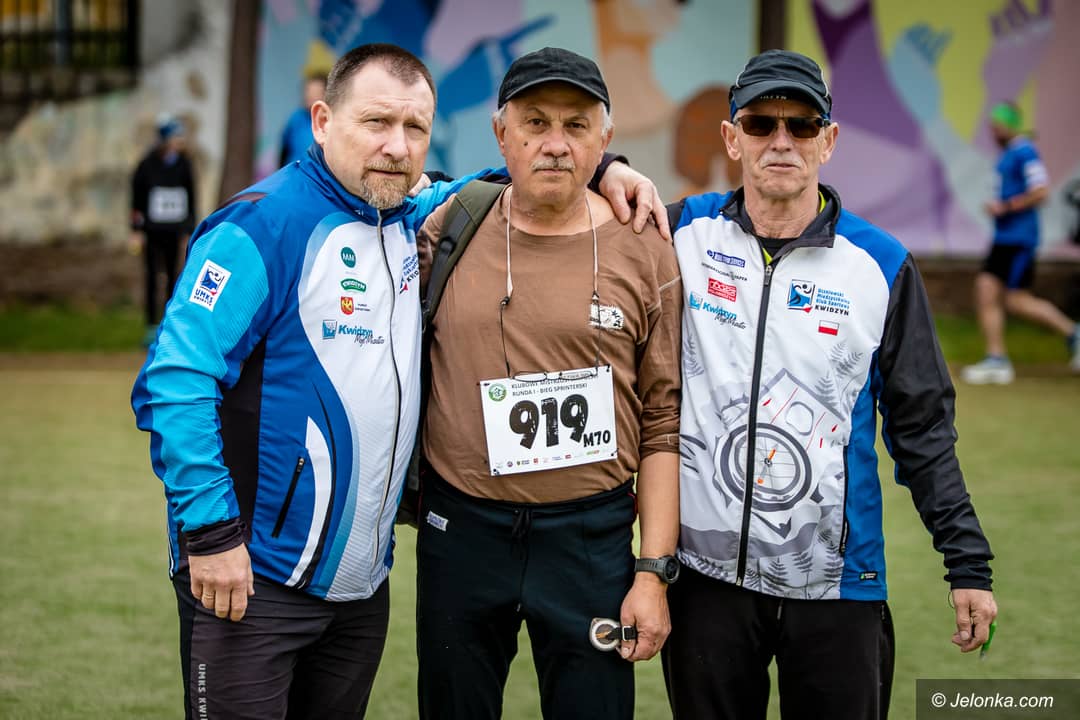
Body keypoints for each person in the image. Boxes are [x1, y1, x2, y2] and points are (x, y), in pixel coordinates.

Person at [130, 42, 669, 720]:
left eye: (415, 128)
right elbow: (176, 380)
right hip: (252, 575)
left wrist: (608, 167)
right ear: (323, 121)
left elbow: (518, 173)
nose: (397, 146)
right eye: (376, 122)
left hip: (359, 593)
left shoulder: (413, 215)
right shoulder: (264, 224)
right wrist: (210, 535)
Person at [662, 49, 997, 719]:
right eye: (761, 124)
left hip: (839, 585)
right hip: (705, 581)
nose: (781, 141)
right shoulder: (679, 233)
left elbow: (924, 429)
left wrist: (967, 562)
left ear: (829, 140)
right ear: (732, 137)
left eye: (802, 124)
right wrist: (612, 169)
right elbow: (560, 188)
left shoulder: (880, 265)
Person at [414, 47, 682, 720]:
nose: (555, 144)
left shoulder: (646, 245)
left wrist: (652, 572)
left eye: (576, 126)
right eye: (535, 123)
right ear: (501, 134)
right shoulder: (447, 229)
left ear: (605, 139)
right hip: (462, 532)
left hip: (590, 538)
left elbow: (663, 420)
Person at [960, 101, 1080, 384]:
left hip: (1018, 239)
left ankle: (1072, 334)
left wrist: (1006, 207)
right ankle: (997, 359)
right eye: (992, 127)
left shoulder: (1025, 151)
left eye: (998, 126)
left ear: (1010, 125)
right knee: (990, 290)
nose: (993, 132)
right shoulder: (1011, 153)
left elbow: (1040, 191)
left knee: (1014, 300)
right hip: (1006, 238)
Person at [130, 113, 197, 346]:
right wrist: (136, 230)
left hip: (174, 231)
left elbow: (190, 198)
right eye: (175, 137)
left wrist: (189, 229)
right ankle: (150, 326)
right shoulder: (146, 165)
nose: (179, 141)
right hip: (152, 231)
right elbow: (137, 199)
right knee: (151, 276)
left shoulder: (184, 165)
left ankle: (168, 326)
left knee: (172, 277)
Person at [278, 73, 326, 167]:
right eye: (308, 90)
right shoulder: (295, 119)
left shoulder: (329, 121)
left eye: (315, 92)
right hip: (294, 171)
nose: (310, 96)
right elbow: (284, 151)